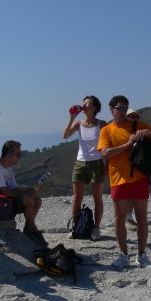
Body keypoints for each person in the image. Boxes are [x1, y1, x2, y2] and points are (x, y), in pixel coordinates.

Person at [97, 96, 151, 269]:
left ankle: (141, 255)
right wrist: (128, 143)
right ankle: (123, 255)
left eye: (125, 108)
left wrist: (148, 133)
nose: (123, 112)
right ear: (111, 109)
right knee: (119, 219)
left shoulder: (136, 125)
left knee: (142, 218)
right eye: (120, 108)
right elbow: (105, 153)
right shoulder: (107, 130)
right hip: (118, 180)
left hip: (139, 179)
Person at [0, 140, 48, 247]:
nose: (20, 157)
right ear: (8, 155)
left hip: (1, 202)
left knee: (37, 200)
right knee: (29, 198)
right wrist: (27, 193)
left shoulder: (8, 170)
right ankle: (32, 229)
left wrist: (31, 189)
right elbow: (7, 192)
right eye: (18, 154)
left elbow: (15, 189)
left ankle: (29, 228)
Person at [62, 96, 107, 241]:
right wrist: (71, 118)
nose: (84, 105)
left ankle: (96, 229)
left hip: (96, 162)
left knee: (97, 198)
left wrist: (107, 166)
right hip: (80, 163)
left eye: (87, 103)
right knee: (77, 198)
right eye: (84, 102)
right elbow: (65, 136)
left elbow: (108, 144)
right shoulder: (78, 123)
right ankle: (76, 228)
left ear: (94, 108)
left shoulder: (102, 124)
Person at [125, 108, 141, 231]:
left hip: (135, 167)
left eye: (136, 117)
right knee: (126, 195)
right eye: (131, 116)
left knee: (133, 195)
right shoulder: (121, 131)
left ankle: (129, 218)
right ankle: (126, 219)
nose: (134, 119)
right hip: (123, 168)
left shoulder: (138, 131)